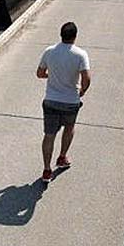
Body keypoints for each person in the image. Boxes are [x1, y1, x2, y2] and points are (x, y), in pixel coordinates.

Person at [36, 21, 91, 183]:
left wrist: (50, 76)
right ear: (75, 36)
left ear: (61, 35)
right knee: (69, 128)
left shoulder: (49, 51)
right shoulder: (80, 54)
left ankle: (47, 170)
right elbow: (87, 78)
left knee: (49, 135)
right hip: (70, 102)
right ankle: (62, 157)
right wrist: (81, 92)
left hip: (51, 100)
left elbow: (39, 73)